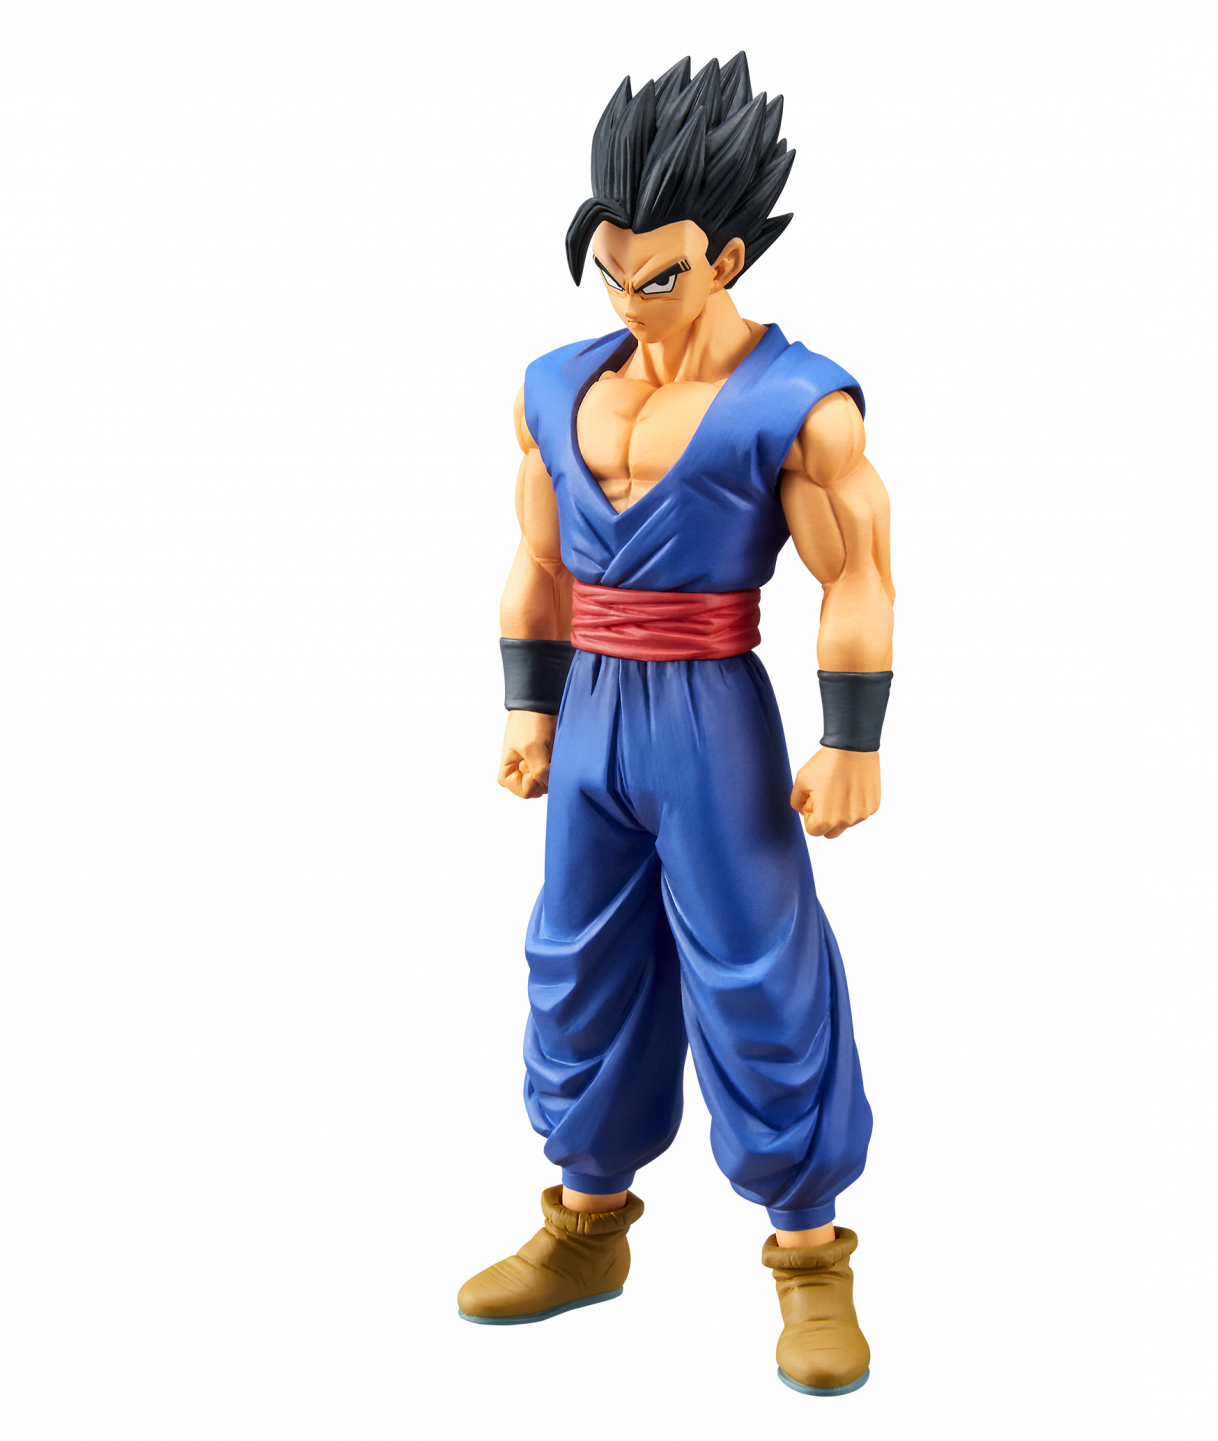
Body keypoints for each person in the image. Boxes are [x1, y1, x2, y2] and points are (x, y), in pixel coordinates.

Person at [458, 53, 895, 1400]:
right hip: (591, 704)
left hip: (714, 711)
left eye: (658, 276)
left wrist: (853, 738)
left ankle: (810, 1257)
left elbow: (858, 577)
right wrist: (528, 706)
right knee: (578, 960)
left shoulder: (797, 403)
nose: (626, 298)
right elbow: (535, 562)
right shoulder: (554, 388)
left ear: (729, 260)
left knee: (757, 968)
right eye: (608, 269)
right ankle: (586, 1227)